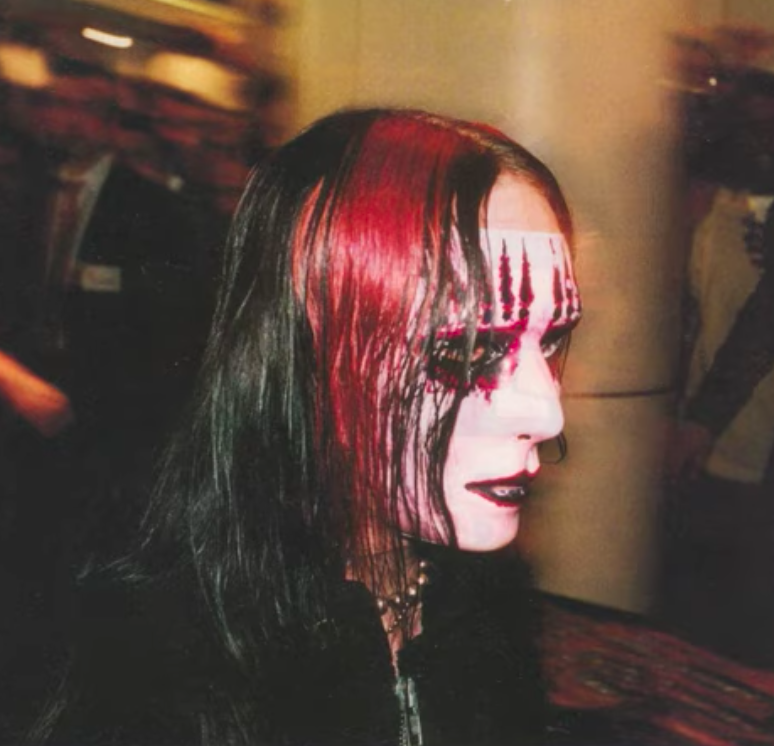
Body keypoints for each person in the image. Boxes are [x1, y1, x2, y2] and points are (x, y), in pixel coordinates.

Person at [30, 108, 582, 746]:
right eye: (467, 351)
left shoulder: (479, 591)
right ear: (303, 351)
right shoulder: (155, 657)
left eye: (552, 340)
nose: (548, 412)